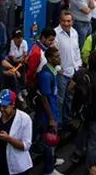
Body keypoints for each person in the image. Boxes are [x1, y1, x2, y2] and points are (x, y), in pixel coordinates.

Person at [72, 49, 96, 171]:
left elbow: (70, 88)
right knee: (94, 142)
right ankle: (91, 167)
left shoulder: (80, 73)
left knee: (82, 132)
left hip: (83, 112)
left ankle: (77, 154)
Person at [0, 89, 33, 175]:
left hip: (16, 166)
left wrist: (8, 139)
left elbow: (26, 146)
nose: (1, 109)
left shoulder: (24, 119)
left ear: (13, 104)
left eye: (5, 106)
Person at [35, 46, 65, 175]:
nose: (59, 58)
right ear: (49, 58)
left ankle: (52, 160)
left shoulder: (52, 70)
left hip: (54, 109)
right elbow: (44, 98)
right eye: (56, 57)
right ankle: (49, 170)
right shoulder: (46, 75)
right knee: (49, 141)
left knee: (52, 139)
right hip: (48, 114)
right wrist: (51, 118)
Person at [54, 10, 82, 130]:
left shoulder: (75, 32)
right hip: (62, 73)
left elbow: (76, 51)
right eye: (64, 21)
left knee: (69, 98)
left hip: (73, 72)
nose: (66, 23)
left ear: (72, 21)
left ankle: (67, 121)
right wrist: (57, 68)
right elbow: (52, 53)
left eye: (69, 21)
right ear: (60, 21)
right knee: (60, 100)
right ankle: (58, 124)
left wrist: (78, 65)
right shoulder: (55, 34)